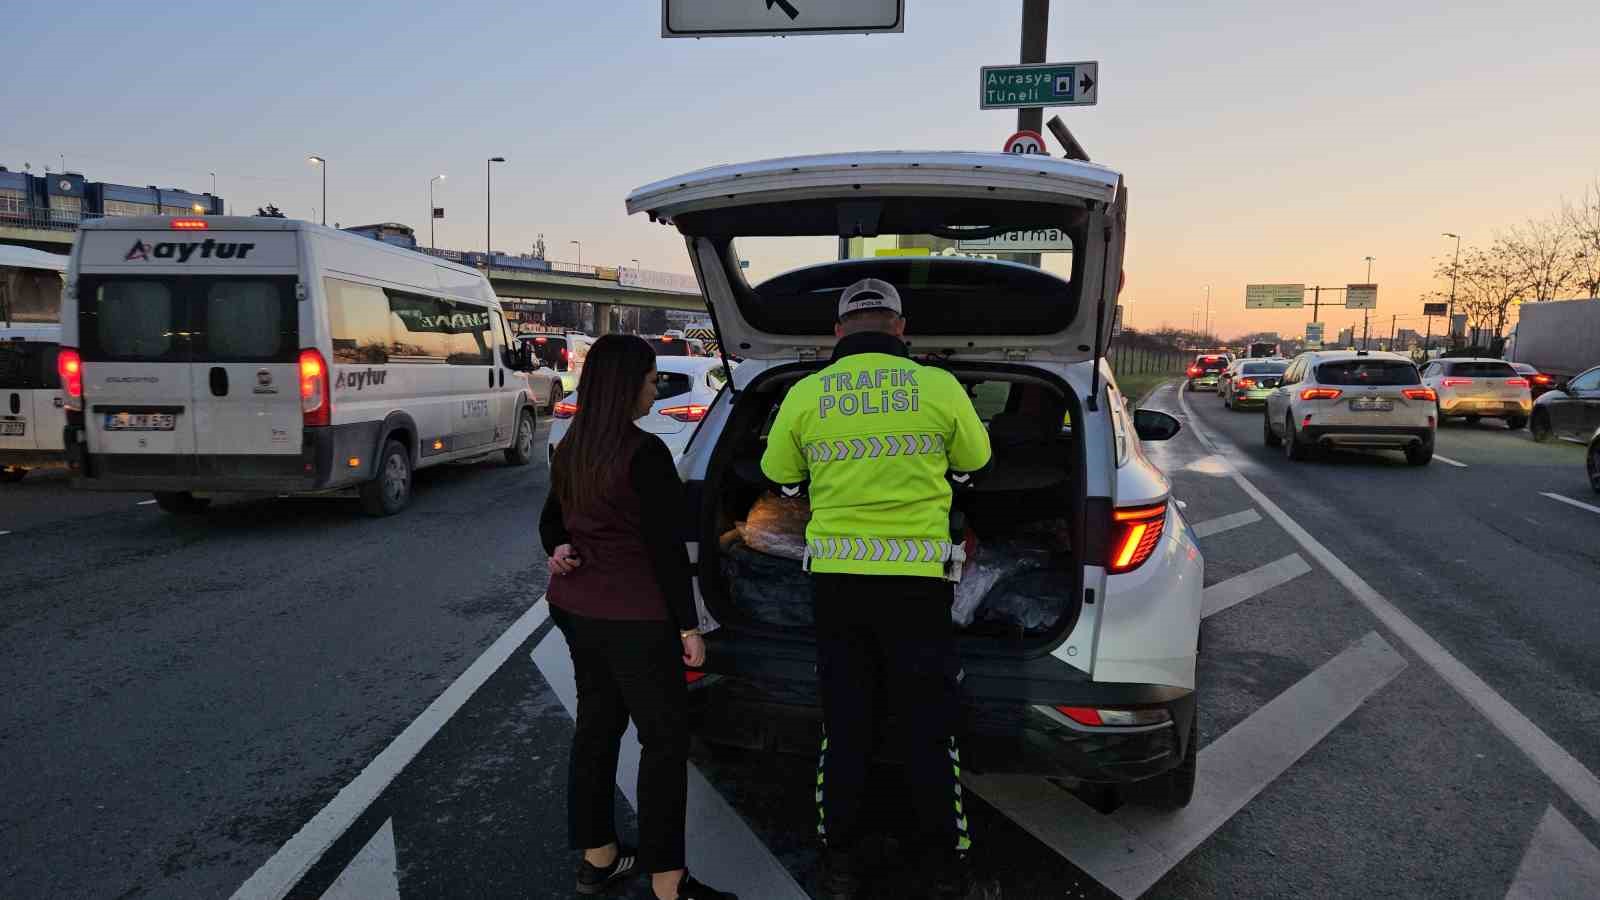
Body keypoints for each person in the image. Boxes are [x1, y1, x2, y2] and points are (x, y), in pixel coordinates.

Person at [760, 278, 996, 899]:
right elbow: (977, 461)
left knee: (847, 725)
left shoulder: (807, 393)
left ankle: (839, 864)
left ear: (838, 332)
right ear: (899, 327)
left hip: (838, 588)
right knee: (926, 727)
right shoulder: (937, 387)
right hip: (916, 589)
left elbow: (778, 475)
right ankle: (948, 869)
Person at [540, 334, 736, 900]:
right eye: (652, 380)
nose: (656, 388)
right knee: (665, 741)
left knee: (597, 730)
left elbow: (550, 519)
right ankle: (670, 883)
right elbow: (666, 550)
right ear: (629, 386)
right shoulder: (644, 454)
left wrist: (557, 547)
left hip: (576, 609)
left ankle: (598, 858)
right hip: (636, 617)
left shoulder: (576, 443)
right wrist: (688, 627)